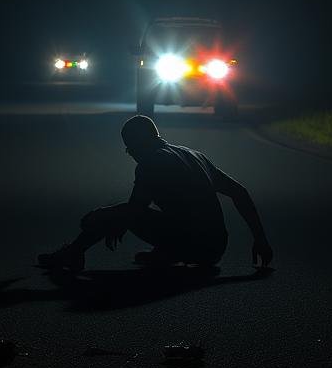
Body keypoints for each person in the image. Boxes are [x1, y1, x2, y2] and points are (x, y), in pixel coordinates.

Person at [37, 114, 273, 271]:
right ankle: (167, 253)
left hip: (194, 244)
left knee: (104, 215)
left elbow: (135, 209)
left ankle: (73, 253)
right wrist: (260, 239)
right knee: (138, 215)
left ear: (135, 146)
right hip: (216, 247)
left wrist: (101, 218)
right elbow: (239, 192)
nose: (131, 155)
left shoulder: (150, 163)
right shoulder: (194, 155)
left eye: (130, 150)